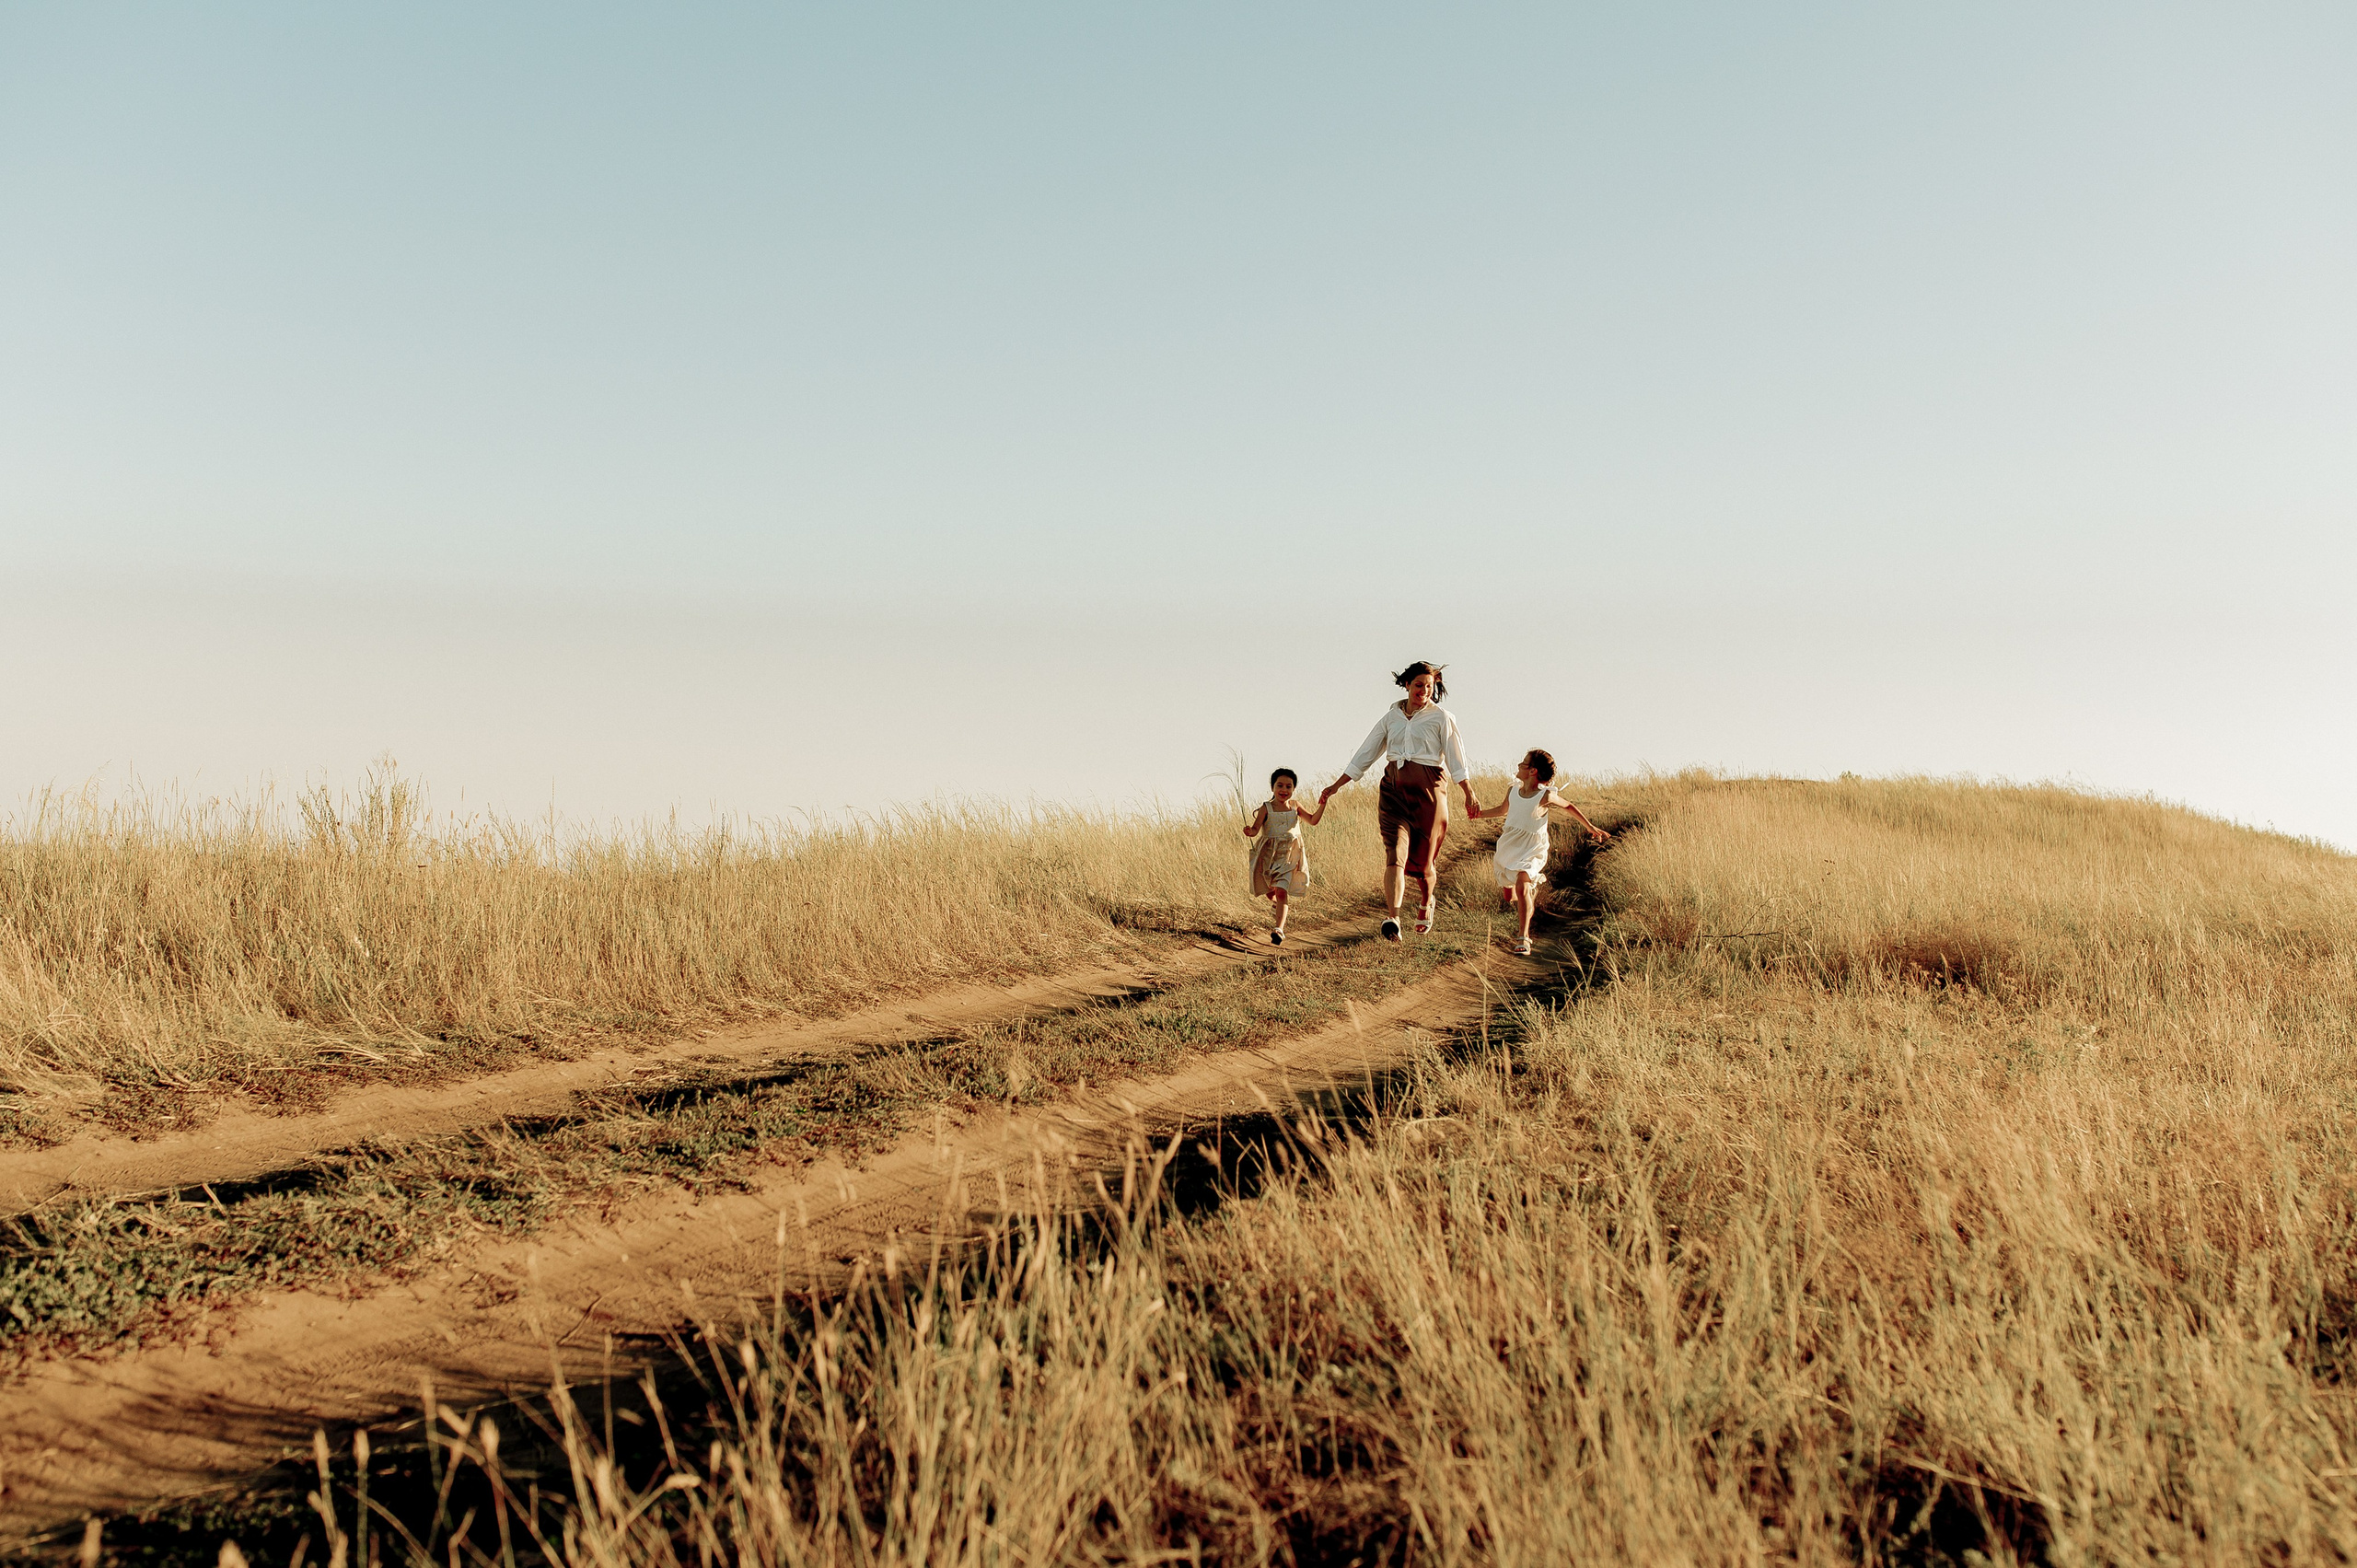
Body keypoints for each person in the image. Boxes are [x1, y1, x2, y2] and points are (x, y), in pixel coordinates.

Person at [1318, 661, 1475, 942]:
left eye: (1430, 686)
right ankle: (1394, 918)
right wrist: (1337, 785)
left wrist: (1468, 791)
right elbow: (1366, 752)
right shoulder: (1392, 717)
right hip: (1393, 791)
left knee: (1426, 863)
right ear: (1407, 684)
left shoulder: (1442, 718)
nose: (1424, 691)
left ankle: (1427, 902)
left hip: (1429, 794)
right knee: (1395, 853)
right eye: (1418, 685)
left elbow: (1455, 757)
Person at [1469, 748, 1608, 956]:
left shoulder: (1545, 796)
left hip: (1532, 848)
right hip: (1509, 845)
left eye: (1523, 763)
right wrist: (1477, 815)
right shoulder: (1513, 790)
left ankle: (1523, 937)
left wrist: (1590, 827)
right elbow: (1501, 810)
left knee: (1523, 883)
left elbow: (1569, 806)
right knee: (1510, 896)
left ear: (1533, 771)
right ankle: (1526, 898)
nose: (1518, 765)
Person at [1243, 767, 1326, 943]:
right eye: (1280, 785)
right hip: (1269, 855)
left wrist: (1323, 804)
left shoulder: (1295, 806)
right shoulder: (1266, 808)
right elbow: (1256, 828)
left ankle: (1279, 929)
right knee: (1269, 890)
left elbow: (1312, 820)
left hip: (1289, 856)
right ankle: (1276, 904)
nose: (1284, 790)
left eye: (1289, 786)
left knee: (1281, 891)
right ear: (1272, 787)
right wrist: (1250, 831)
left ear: (1293, 789)